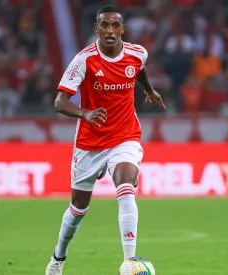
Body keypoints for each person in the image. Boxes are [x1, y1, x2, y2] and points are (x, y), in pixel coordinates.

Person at [45, 5, 166, 275]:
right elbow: (59, 102)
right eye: (104, 26)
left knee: (125, 186)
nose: (110, 31)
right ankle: (58, 257)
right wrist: (85, 112)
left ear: (123, 29)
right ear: (97, 29)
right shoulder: (84, 60)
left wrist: (149, 90)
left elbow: (139, 69)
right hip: (89, 144)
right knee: (78, 210)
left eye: (115, 26)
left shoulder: (137, 53)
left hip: (125, 136)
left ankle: (130, 262)